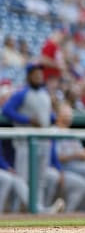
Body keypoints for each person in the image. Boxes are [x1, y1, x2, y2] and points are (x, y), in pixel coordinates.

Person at [1, 63, 64, 213]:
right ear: (29, 76)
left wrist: (54, 118)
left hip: (43, 142)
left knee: (40, 180)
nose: (39, 77)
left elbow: (44, 116)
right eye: (36, 74)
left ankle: (38, 212)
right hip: (26, 142)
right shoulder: (22, 93)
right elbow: (7, 110)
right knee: (22, 179)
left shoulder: (44, 94)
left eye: (40, 75)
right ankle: (35, 209)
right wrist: (27, 120)